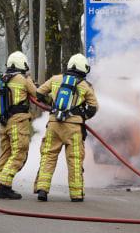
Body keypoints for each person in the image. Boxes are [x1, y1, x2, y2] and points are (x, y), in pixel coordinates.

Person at [33, 53, 99, 202]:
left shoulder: (55, 79)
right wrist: (82, 117)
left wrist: (52, 105)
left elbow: (39, 93)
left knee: (48, 156)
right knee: (74, 160)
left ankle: (42, 189)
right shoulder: (85, 86)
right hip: (73, 128)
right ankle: (76, 195)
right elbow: (93, 107)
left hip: (54, 125)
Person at [0, 51, 37, 199]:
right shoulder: (23, 79)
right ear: (22, 64)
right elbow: (38, 94)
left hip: (4, 122)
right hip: (18, 122)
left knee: (6, 154)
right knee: (19, 153)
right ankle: (5, 186)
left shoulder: (3, 78)